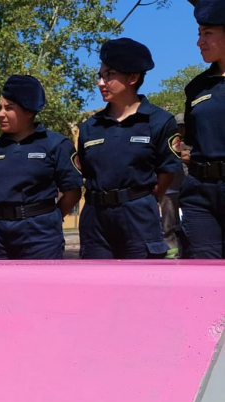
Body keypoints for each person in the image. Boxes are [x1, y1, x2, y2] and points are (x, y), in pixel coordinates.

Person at [77, 38, 179, 259]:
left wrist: (138, 199)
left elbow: (167, 172)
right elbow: (85, 171)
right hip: (95, 221)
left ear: (132, 77)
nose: (101, 83)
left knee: (141, 288)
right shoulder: (89, 127)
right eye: (100, 75)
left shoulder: (159, 121)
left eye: (109, 75)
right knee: (95, 287)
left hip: (138, 217)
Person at [0, 75, 83, 260]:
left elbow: (72, 191)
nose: (0, 114)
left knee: (39, 288)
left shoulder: (55, 145)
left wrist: (50, 217)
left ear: (29, 112)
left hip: (40, 236)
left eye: (9, 108)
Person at [181, 0, 225, 258]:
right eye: (199, 34)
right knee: (204, 273)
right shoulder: (196, 88)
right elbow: (191, 139)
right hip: (200, 194)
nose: (200, 42)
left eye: (208, 33)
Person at [159, 113, 188, 257]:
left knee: (189, 223)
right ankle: (171, 253)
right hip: (169, 190)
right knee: (168, 225)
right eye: (179, 126)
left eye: (183, 126)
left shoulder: (193, 141)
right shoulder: (168, 141)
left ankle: (188, 252)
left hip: (188, 189)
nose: (181, 129)